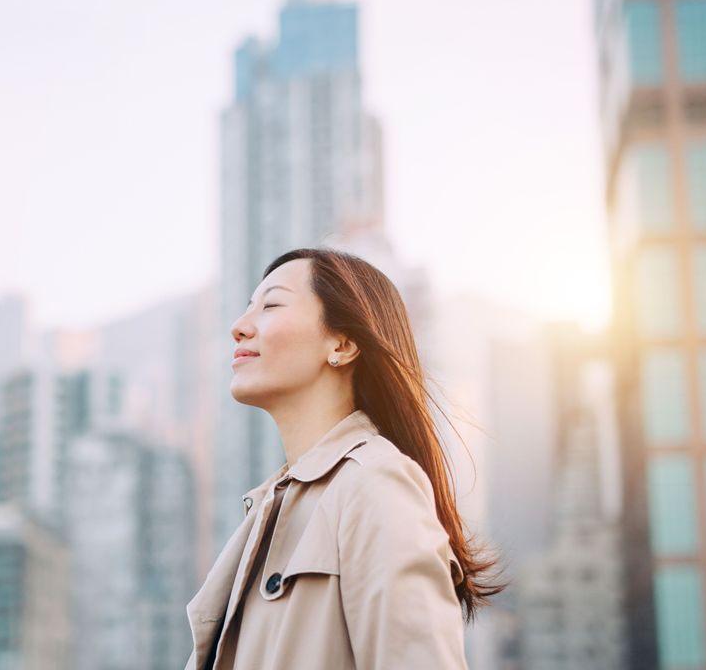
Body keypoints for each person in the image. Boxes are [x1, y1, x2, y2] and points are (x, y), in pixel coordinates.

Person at [185, 247, 504, 670]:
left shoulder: (375, 482)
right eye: (247, 307)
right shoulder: (271, 507)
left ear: (344, 342)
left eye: (271, 304)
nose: (239, 327)